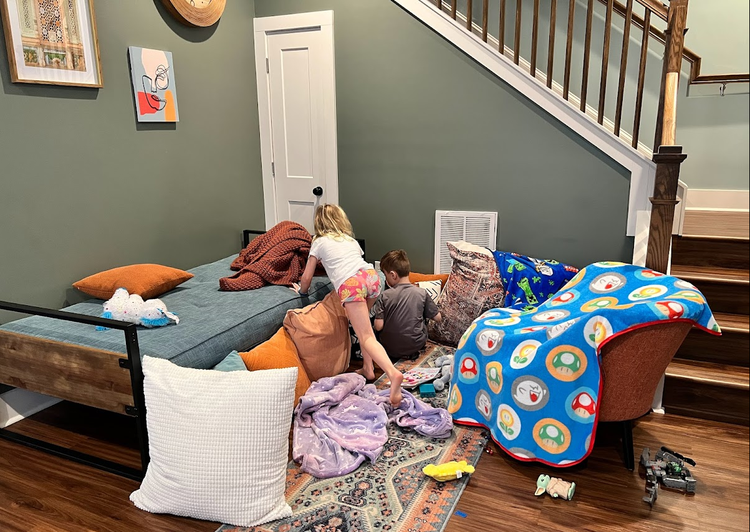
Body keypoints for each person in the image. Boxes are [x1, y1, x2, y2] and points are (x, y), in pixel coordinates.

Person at [293, 205, 404, 407]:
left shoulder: (318, 241)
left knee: (366, 336)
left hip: (352, 285)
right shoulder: (350, 240)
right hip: (371, 277)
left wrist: (301, 292)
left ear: (319, 223)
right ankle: (368, 369)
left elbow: (307, 277)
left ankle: (393, 373)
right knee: (366, 330)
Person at [373, 250, 442, 361]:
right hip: (416, 345)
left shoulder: (384, 295)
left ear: (393, 275)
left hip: (389, 348)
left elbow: (378, 326)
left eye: (385, 275)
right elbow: (438, 318)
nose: (385, 279)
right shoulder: (421, 293)